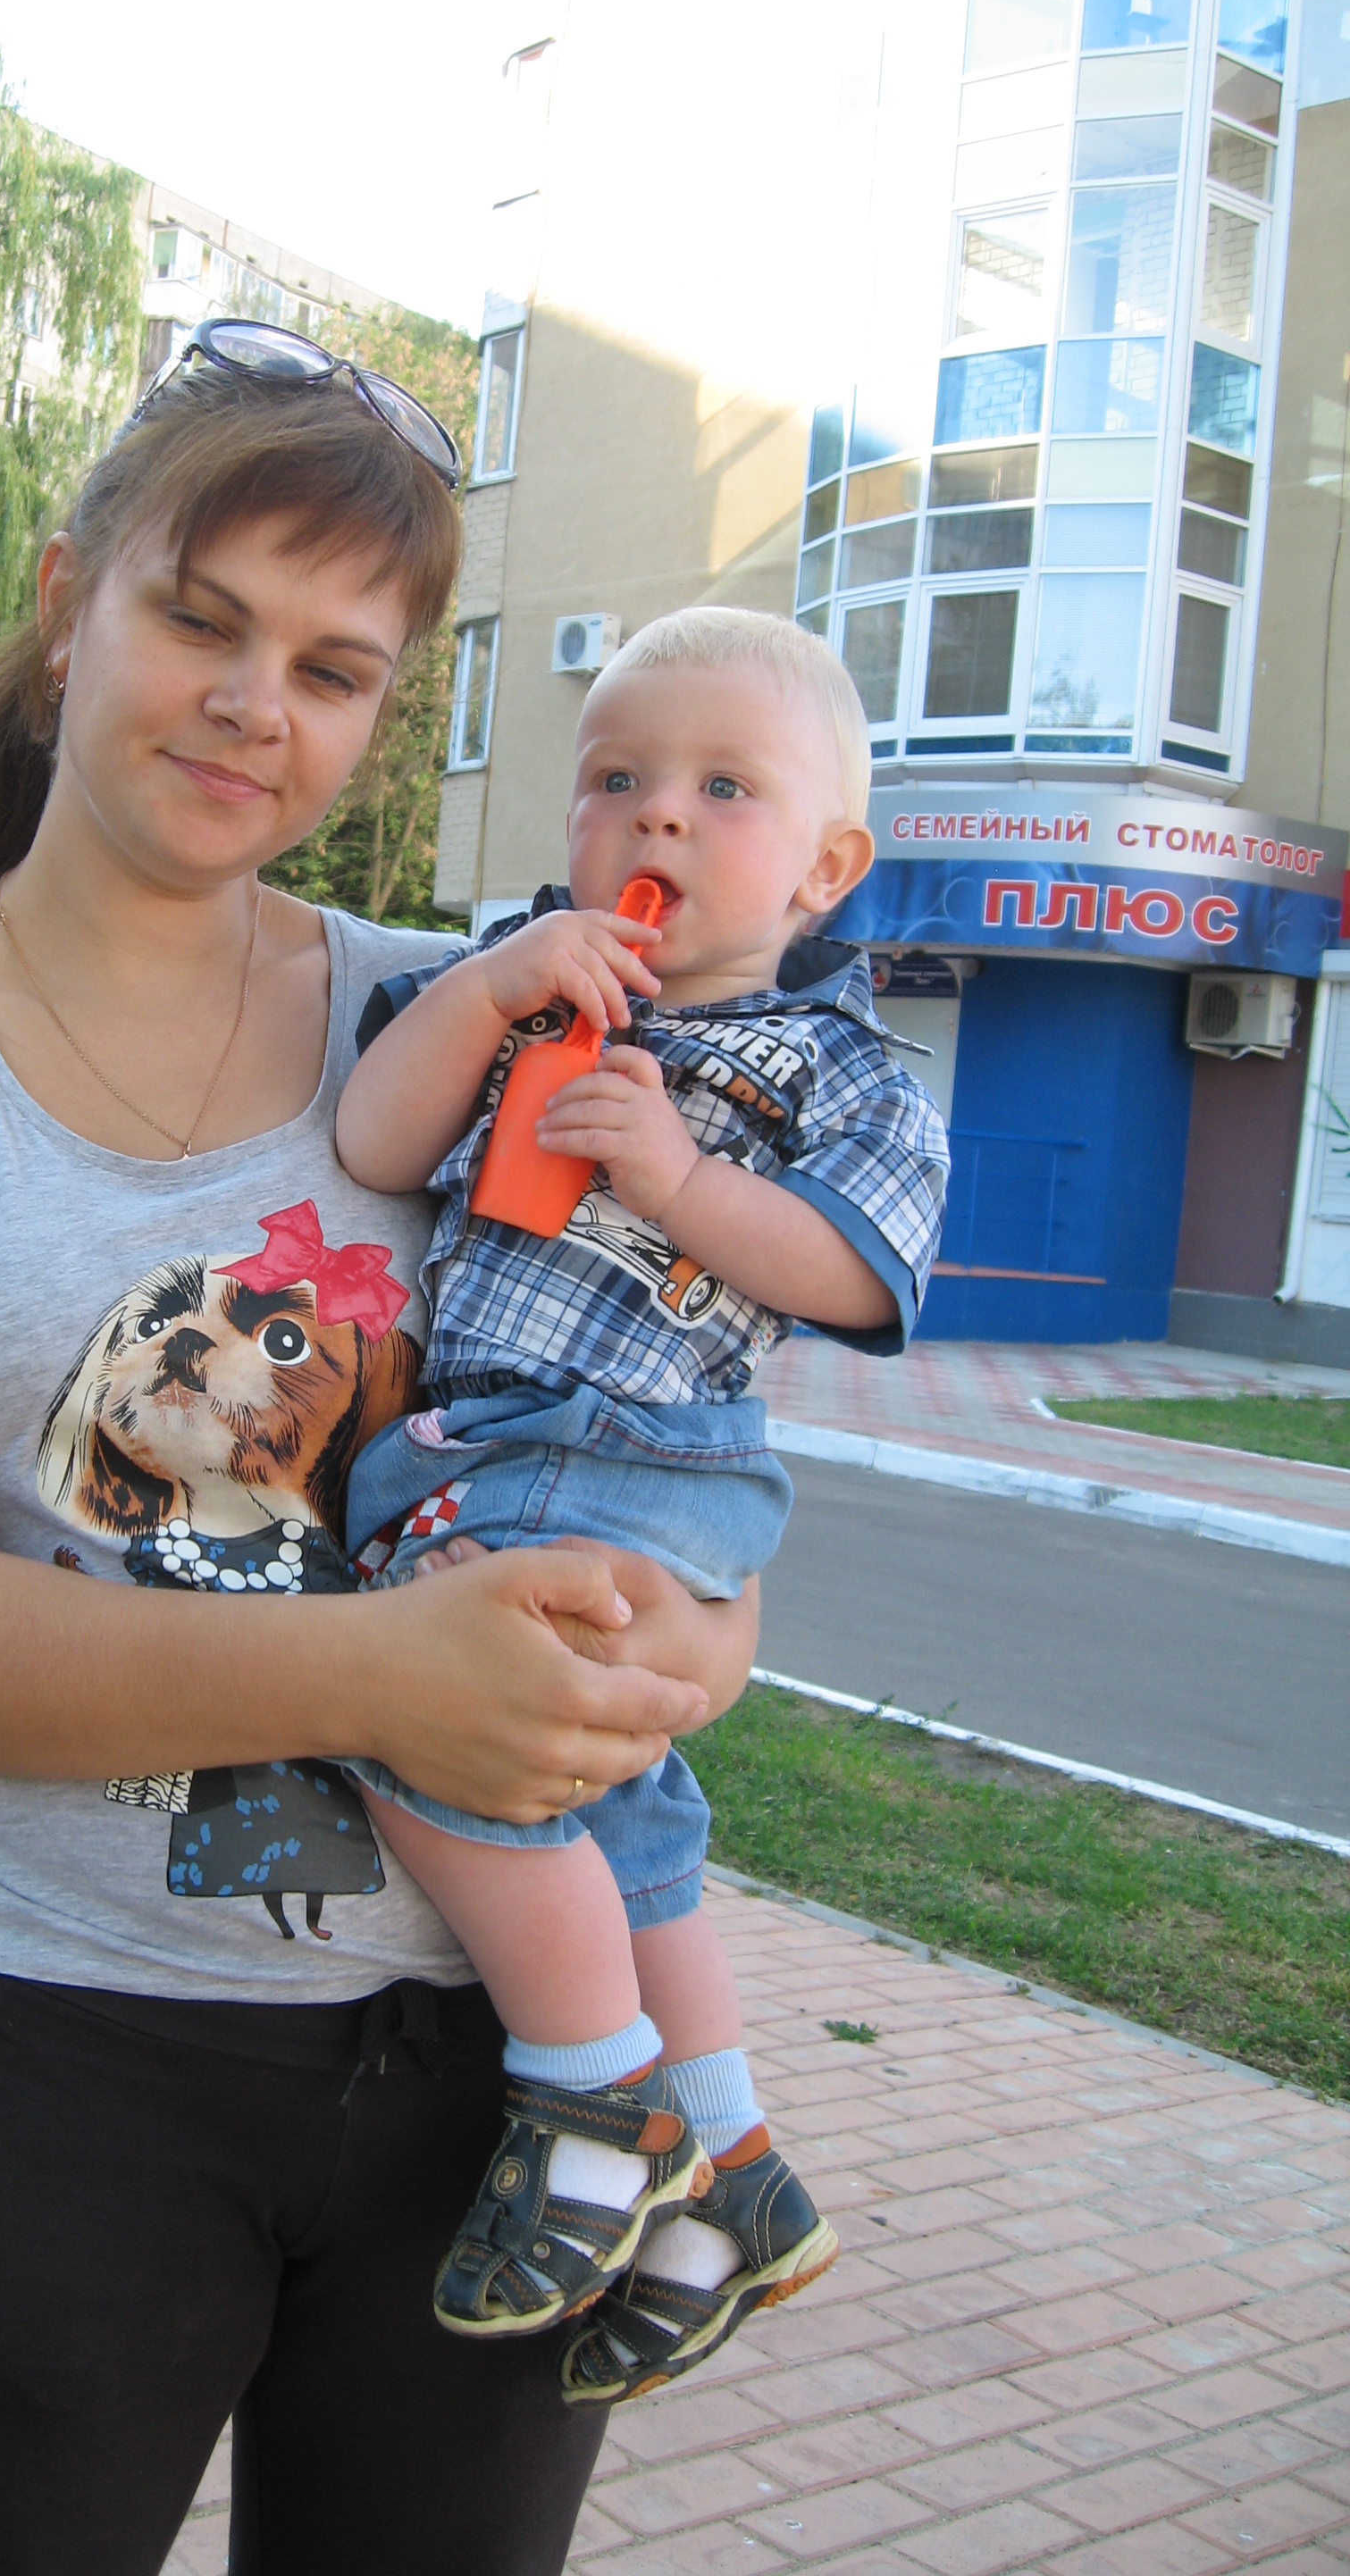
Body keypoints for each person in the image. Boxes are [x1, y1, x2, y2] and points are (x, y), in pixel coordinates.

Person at [0, 322, 761, 2576]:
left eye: (337, 670)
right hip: (47, 2067)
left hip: (506, 2093)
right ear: (68, 604)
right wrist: (384, 1673)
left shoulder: (469, 1014)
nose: (258, 705)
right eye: (203, 619)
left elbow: (658, 1409)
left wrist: (693, 1637)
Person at [333, 606, 950, 2405]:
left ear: (825, 870)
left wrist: (674, 1174)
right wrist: (487, 995)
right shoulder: (524, 990)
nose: (658, 817)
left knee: (414, 1711)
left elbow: (856, 1273)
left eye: (724, 790)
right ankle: (733, 2173)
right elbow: (375, 1143)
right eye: (617, 780)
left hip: (637, 1446)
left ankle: (593, 2093)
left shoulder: (835, 1065)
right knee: (617, 1801)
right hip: (490, 1440)